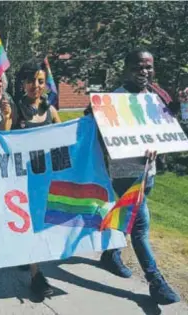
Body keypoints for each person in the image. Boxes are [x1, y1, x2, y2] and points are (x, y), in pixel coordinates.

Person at [96, 49, 180, 305]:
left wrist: (177, 108)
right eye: (139, 67)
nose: (144, 72)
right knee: (141, 227)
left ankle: (110, 256)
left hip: (149, 171)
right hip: (125, 174)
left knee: (128, 218)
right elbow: (103, 135)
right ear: (127, 68)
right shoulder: (114, 100)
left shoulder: (156, 95)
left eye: (149, 67)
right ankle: (156, 282)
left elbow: (167, 124)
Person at [11, 59, 61, 299]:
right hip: (22, 179)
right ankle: (36, 275)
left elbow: (66, 138)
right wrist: (4, 116)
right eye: (31, 80)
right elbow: (2, 141)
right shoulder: (15, 109)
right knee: (29, 225)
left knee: (39, 224)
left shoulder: (51, 111)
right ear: (23, 83)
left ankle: (26, 257)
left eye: (41, 81)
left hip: (46, 178)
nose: (36, 85)